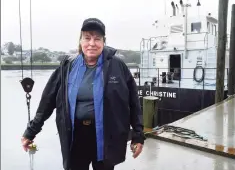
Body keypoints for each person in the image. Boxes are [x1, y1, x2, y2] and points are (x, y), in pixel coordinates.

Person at [21, 18, 145, 170]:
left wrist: (138, 136)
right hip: (75, 137)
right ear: (80, 41)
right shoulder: (67, 67)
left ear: (103, 42)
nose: (92, 43)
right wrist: (31, 132)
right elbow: (47, 101)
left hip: (106, 137)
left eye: (97, 38)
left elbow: (133, 103)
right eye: (87, 38)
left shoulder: (118, 66)